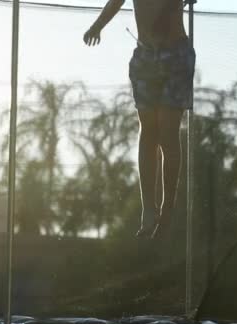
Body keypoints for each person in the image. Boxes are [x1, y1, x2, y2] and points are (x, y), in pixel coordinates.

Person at [84, 0, 196, 238]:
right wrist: (97, 26)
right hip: (146, 56)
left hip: (175, 54)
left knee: (167, 132)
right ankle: (149, 209)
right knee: (148, 132)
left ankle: (168, 208)